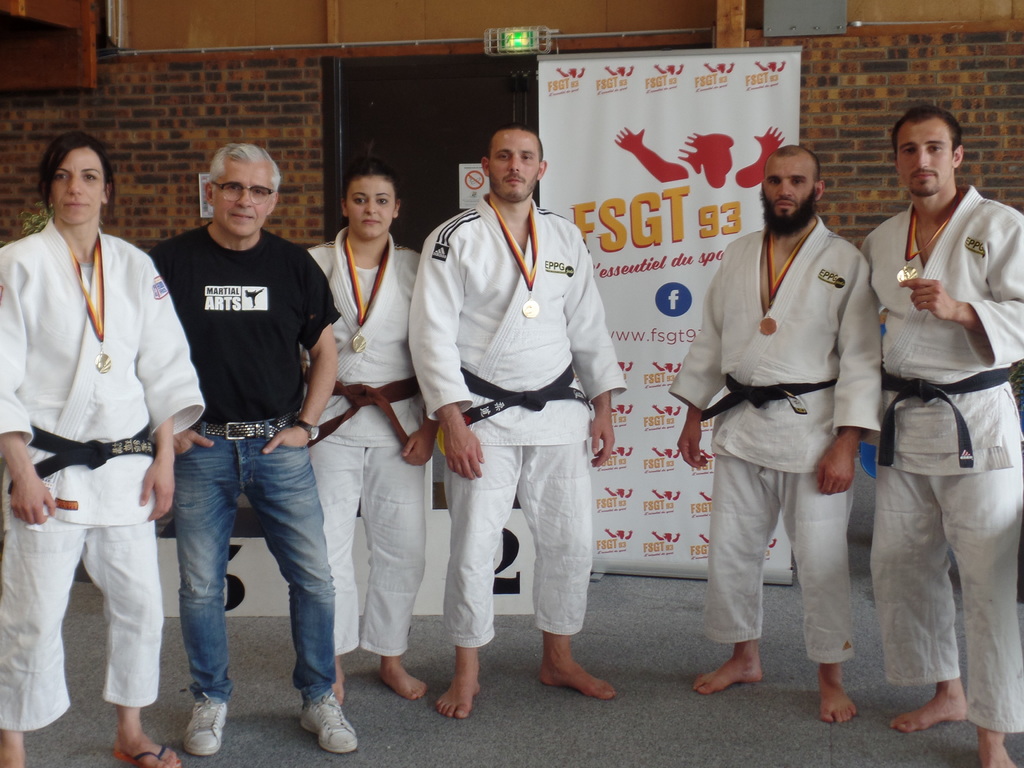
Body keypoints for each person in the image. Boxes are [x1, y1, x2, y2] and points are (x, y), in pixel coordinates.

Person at [0, 131, 204, 768]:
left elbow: (165, 368)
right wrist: (20, 472)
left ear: (107, 190)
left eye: (89, 177)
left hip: (127, 468)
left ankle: (130, 732)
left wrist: (165, 460)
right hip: (49, 468)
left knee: (141, 607)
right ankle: (11, 744)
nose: (76, 188)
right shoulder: (17, 263)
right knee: (33, 613)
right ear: (48, 189)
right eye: (63, 176)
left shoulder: (135, 266)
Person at [409, 123, 625, 719]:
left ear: (541, 168)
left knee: (570, 540)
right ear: (485, 167)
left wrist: (603, 406)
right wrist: (452, 421)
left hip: (559, 413)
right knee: (474, 546)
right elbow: (430, 336)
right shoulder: (453, 237)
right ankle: (467, 669)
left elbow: (588, 325)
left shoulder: (564, 235)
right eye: (504, 156)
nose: (515, 166)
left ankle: (559, 657)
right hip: (483, 418)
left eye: (526, 157)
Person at [150, 143, 356, 755]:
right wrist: (166, 427)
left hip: (277, 446)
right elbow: (140, 350)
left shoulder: (295, 266)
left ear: (273, 200)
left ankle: (319, 697)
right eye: (234, 187)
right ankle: (210, 700)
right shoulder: (170, 262)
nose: (246, 200)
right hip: (201, 446)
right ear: (210, 191)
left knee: (315, 579)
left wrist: (307, 425)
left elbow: (325, 353)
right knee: (200, 587)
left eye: (259, 190)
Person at [670, 145, 881, 723]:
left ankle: (831, 677)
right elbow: (711, 339)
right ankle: (744, 657)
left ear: (818, 189)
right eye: (775, 180)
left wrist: (847, 442)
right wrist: (692, 413)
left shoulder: (845, 260)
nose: (784, 190)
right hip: (741, 424)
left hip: (813, 433)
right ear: (762, 187)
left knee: (821, 561)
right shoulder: (740, 253)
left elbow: (862, 357)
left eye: (797, 181)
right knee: (733, 551)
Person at [863, 105, 1024, 768]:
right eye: (908, 149)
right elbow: (868, 330)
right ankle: (947, 692)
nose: (921, 161)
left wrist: (964, 311)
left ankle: (993, 733)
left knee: (987, 579)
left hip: (977, 422)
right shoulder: (882, 240)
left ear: (957, 156)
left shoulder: (1001, 227)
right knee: (903, 566)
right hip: (905, 421)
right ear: (897, 160)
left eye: (934, 148)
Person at [307, 156, 437, 704]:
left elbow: (437, 348)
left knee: (403, 546)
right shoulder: (313, 263)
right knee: (327, 549)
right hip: (330, 422)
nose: (370, 210)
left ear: (397, 208)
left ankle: (391, 656)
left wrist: (432, 426)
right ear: (344, 205)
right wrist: (299, 421)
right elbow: (292, 346)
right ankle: (331, 662)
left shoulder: (417, 267)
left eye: (382, 200)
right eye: (360, 199)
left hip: (399, 424)